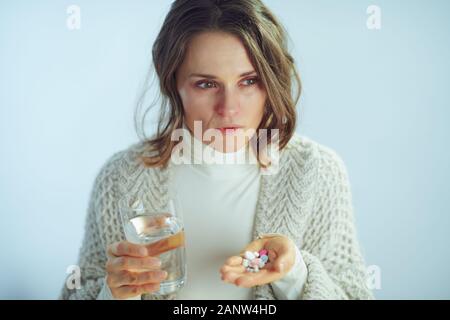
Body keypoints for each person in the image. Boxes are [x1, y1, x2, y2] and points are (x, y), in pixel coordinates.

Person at [60, 0, 374, 300]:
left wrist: (293, 273)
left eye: (249, 81)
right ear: (172, 83)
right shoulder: (122, 176)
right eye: (206, 84)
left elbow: (353, 293)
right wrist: (116, 292)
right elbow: (79, 290)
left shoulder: (316, 170)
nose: (229, 108)